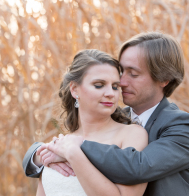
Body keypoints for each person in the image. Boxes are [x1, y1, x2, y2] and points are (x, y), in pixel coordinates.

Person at [23, 32, 189, 196]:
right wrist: (41, 153)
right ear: (74, 89)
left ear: (164, 79)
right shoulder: (112, 119)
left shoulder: (180, 126)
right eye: (121, 71)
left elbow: (137, 166)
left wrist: (75, 147)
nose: (122, 82)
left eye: (133, 73)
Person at [33, 49, 149, 196]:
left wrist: (73, 154)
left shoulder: (132, 135)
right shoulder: (59, 144)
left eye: (115, 86)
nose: (110, 93)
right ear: (75, 89)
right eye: (99, 85)